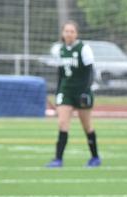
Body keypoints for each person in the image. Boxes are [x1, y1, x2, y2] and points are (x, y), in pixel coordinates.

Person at [46, 21, 101, 168]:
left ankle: (95, 157)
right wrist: (58, 93)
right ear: (63, 33)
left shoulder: (84, 48)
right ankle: (58, 159)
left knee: (87, 126)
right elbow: (60, 74)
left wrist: (85, 91)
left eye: (72, 31)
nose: (69, 34)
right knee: (62, 123)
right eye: (66, 31)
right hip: (66, 91)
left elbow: (90, 72)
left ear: (76, 33)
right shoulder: (60, 50)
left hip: (82, 91)